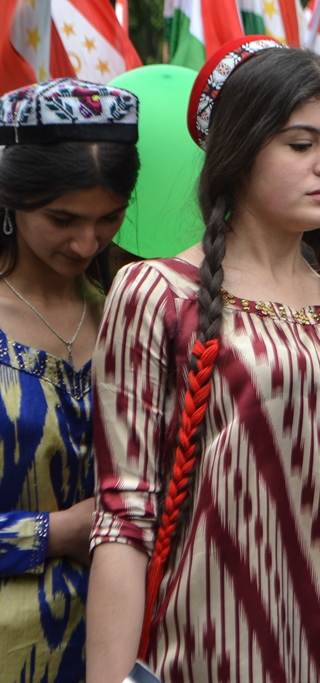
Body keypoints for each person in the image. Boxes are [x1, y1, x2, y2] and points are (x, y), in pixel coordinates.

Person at [86, 39, 320, 682]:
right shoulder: (156, 293)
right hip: (212, 649)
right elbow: (124, 518)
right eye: (301, 144)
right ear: (239, 149)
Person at [0, 79, 139, 683]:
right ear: (10, 198)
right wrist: (56, 532)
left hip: (122, 646)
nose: (87, 242)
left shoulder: (131, 316)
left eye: (110, 218)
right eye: (62, 219)